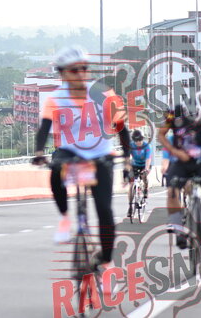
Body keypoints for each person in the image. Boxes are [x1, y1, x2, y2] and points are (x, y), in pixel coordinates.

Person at [32, 45, 130, 273]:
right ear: (62, 73)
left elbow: (121, 128)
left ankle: (106, 262)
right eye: (74, 70)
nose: (80, 74)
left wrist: (127, 159)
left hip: (100, 155)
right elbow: (44, 128)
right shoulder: (56, 98)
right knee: (56, 170)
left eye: (84, 69)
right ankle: (65, 217)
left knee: (104, 210)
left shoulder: (103, 94)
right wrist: (38, 153)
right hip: (70, 153)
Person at [157, 102, 201, 249]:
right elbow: (160, 135)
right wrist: (175, 152)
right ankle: (179, 230)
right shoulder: (174, 114)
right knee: (172, 193)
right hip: (181, 161)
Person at [126, 129, 153, 217]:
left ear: (143, 139)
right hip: (135, 165)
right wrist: (127, 167)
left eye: (140, 140)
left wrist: (146, 168)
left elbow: (148, 158)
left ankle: (146, 189)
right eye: (136, 140)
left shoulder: (147, 146)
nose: (138, 142)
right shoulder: (131, 146)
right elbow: (127, 157)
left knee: (144, 176)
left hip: (145, 165)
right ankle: (130, 207)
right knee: (131, 185)